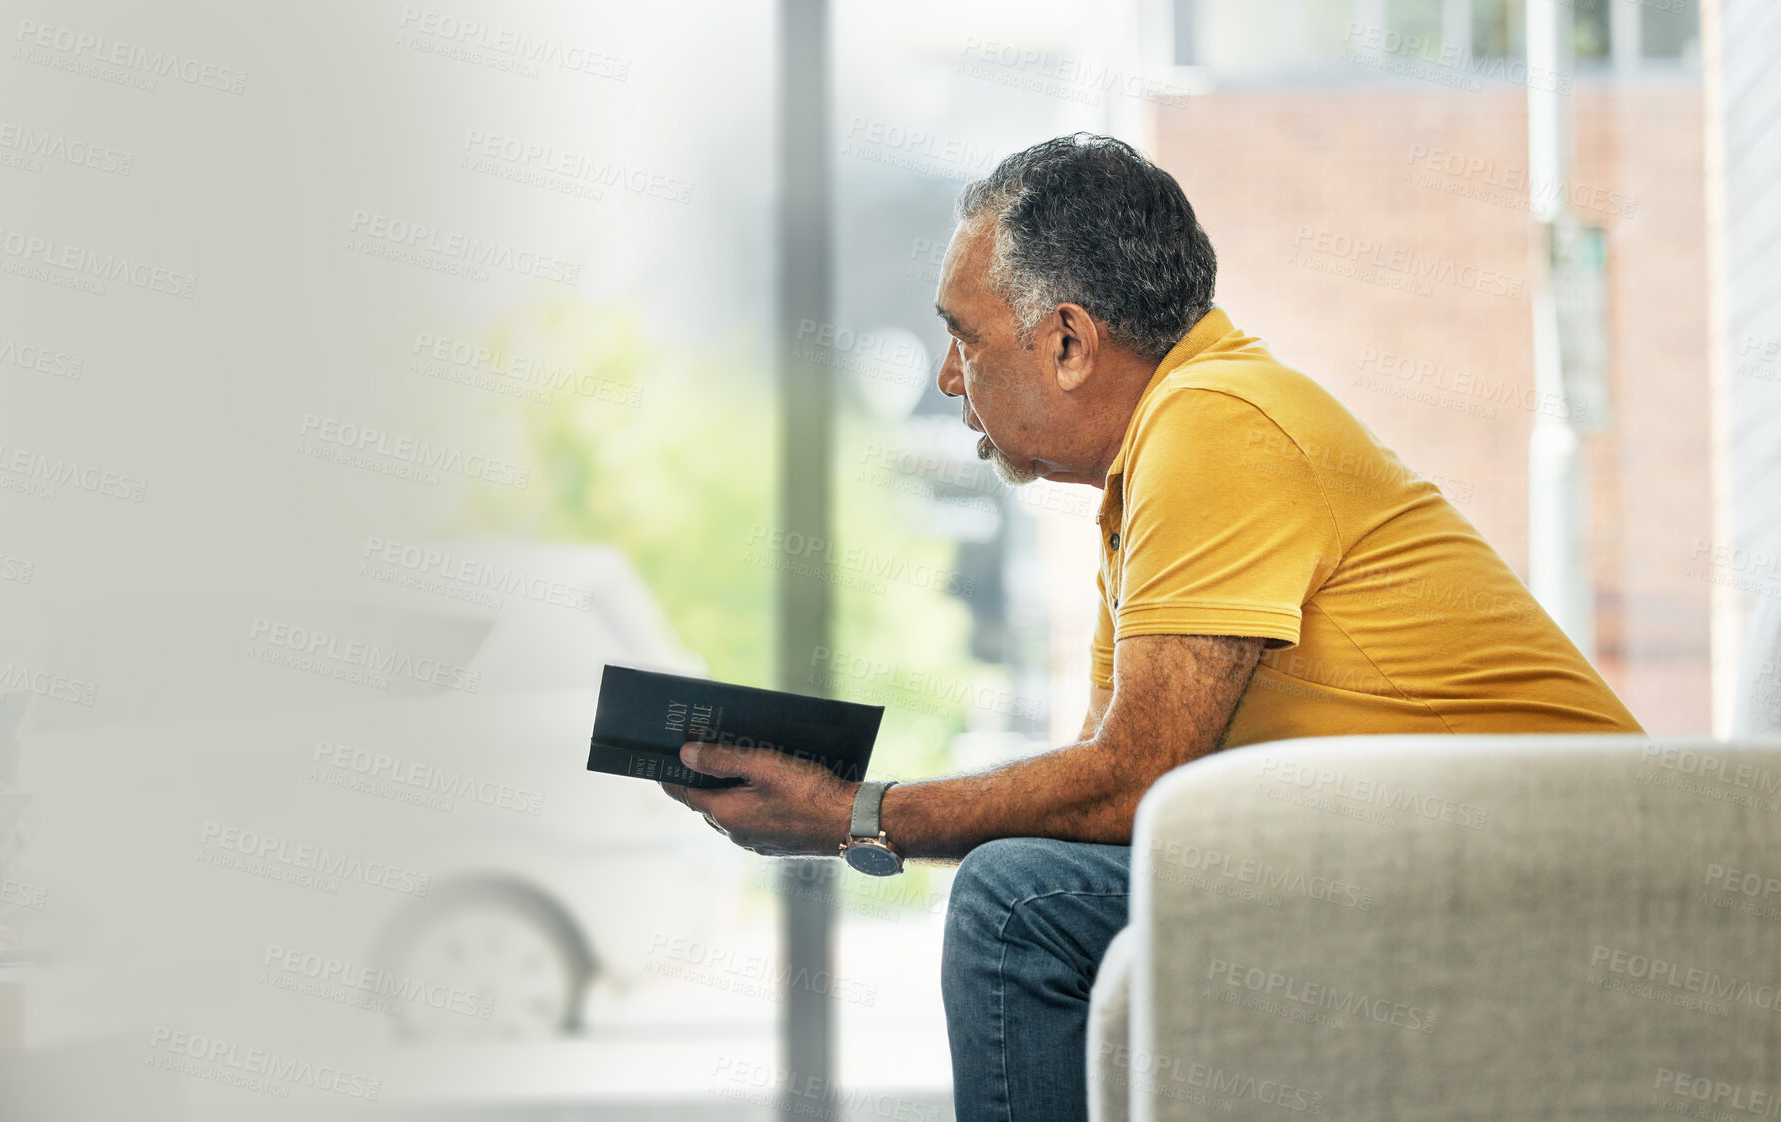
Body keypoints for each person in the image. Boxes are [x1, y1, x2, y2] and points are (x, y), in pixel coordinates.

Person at [661, 133, 1642, 1122]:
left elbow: (1133, 787)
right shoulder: (1152, 470)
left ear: (1070, 342)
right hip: (1440, 861)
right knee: (1039, 882)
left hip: (1563, 886)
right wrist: (852, 807)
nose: (952, 381)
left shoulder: (1217, 421)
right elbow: (1100, 783)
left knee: (1020, 903)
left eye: (966, 338)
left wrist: (850, 815)